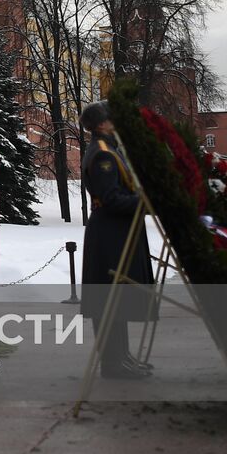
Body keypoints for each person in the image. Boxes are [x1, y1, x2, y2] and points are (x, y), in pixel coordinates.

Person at [79, 101, 154, 380]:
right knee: (108, 299)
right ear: (101, 124)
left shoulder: (110, 148)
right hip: (110, 233)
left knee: (117, 296)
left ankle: (121, 356)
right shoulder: (102, 155)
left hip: (117, 232)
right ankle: (112, 362)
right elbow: (110, 199)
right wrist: (145, 202)